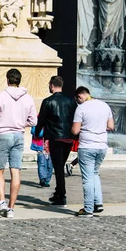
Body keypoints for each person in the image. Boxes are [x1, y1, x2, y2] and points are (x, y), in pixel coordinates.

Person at [0, 68, 37, 218]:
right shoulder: (27, 98)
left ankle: (1, 201)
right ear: (19, 80)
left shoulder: (1, 96)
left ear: (8, 79)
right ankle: (11, 208)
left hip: (3, 134)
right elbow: (34, 120)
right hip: (18, 135)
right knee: (15, 170)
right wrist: (20, 123)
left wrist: (2, 121)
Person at [71, 86, 115, 217]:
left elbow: (75, 130)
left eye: (77, 99)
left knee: (87, 178)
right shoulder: (104, 106)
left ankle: (88, 209)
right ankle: (98, 203)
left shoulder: (81, 108)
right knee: (95, 173)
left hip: (87, 146)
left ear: (80, 96)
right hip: (102, 145)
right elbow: (111, 126)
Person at [34, 76, 76, 206]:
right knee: (59, 165)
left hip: (55, 137)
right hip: (68, 138)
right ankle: (58, 192)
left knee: (58, 168)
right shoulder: (71, 101)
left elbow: (41, 120)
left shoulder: (48, 101)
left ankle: (61, 195)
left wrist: (37, 133)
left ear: (52, 85)